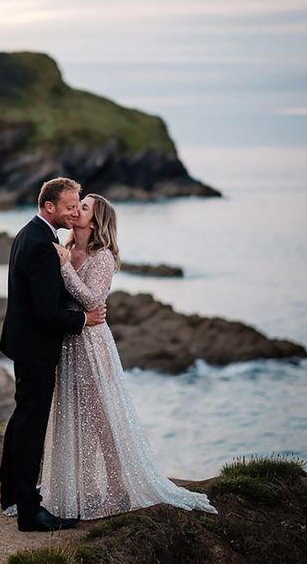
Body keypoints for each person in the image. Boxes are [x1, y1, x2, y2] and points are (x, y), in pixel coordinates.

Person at [40, 193, 219, 520]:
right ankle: (88, 489)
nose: (75, 209)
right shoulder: (65, 250)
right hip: (67, 343)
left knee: (101, 420)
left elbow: (93, 299)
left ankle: (120, 491)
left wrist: (66, 269)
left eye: (83, 207)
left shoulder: (103, 257)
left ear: (94, 221)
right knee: (76, 416)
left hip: (91, 345)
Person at [0, 178, 106, 532]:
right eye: (70, 206)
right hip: (36, 347)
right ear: (50, 207)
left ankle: (12, 494)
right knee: (31, 426)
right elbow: (46, 312)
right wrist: (84, 319)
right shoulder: (43, 244)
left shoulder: (31, 233)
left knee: (22, 418)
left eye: (79, 207)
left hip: (23, 343)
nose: (75, 212)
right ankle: (29, 510)